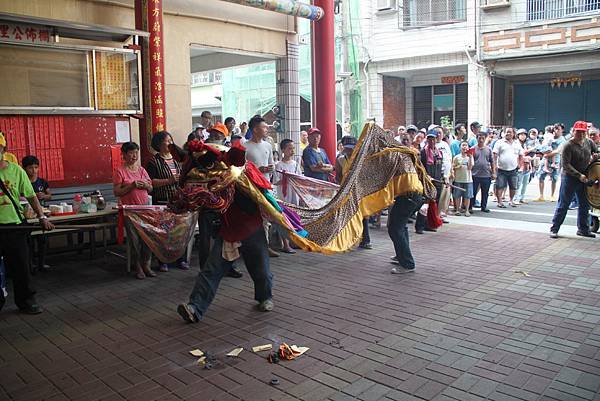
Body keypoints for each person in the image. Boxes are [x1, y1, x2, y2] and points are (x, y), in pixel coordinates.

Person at [0, 132, 54, 314]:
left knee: (21, 267)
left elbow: (31, 196)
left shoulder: (16, 170)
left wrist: (42, 217)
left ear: (4, 150)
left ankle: (26, 301)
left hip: (15, 226)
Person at [146, 131, 188, 271]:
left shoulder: (177, 159)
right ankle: (162, 260)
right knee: (163, 232)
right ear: (159, 143)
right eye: (166, 140)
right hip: (161, 200)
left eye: (171, 139)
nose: (170, 143)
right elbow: (150, 182)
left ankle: (181, 259)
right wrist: (169, 181)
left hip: (178, 200)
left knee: (179, 231)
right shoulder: (153, 161)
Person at [550, 121, 598, 239]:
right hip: (569, 178)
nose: (581, 134)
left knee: (584, 204)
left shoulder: (589, 142)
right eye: (578, 132)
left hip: (585, 177)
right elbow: (565, 165)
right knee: (564, 204)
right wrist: (579, 175)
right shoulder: (568, 145)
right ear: (573, 132)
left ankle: (583, 229)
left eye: (583, 132)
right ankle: (554, 229)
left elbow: (596, 151)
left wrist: (596, 156)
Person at [113, 142, 155, 279]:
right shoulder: (120, 171)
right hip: (129, 211)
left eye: (136, 152)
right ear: (124, 155)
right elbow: (117, 192)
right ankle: (137, 266)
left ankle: (146, 265)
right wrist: (131, 186)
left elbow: (151, 189)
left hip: (144, 209)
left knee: (147, 237)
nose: (134, 155)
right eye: (131, 153)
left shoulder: (141, 170)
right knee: (135, 239)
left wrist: (146, 185)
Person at [244, 115, 279, 257]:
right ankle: (248, 247)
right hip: (250, 187)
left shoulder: (268, 145)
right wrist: (259, 170)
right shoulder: (245, 146)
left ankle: (265, 246)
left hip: (265, 185)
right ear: (255, 129)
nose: (267, 129)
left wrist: (270, 170)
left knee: (265, 218)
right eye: (264, 127)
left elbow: (272, 164)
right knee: (251, 216)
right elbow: (241, 168)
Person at [335, 136, 372, 249]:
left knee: (363, 215)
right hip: (347, 192)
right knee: (348, 216)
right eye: (347, 148)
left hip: (360, 191)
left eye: (352, 148)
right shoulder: (340, 160)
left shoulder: (362, 159)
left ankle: (366, 240)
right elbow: (338, 176)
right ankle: (349, 240)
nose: (350, 151)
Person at [271, 139, 300, 254]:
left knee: (294, 217)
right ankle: (286, 244)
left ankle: (293, 241)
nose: (292, 151)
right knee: (283, 218)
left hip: (294, 195)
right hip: (283, 196)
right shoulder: (278, 165)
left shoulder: (296, 164)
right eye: (289, 148)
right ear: (283, 150)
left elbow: (299, 180)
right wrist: (285, 178)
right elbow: (275, 182)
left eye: (293, 148)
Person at [388, 192, 425, 274]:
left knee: (396, 229)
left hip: (407, 198)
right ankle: (401, 257)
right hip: (412, 197)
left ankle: (407, 263)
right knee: (400, 227)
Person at [415, 129, 443, 234]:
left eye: (433, 139)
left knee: (433, 204)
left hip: (437, 182)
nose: (432, 141)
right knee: (424, 204)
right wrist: (426, 177)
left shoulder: (439, 153)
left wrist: (443, 177)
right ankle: (419, 226)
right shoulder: (423, 152)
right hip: (426, 182)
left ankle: (429, 224)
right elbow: (420, 167)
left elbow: (441, 167)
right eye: (429, 139)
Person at [493, 127, 523, 208]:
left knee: (513, 186)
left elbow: (521, 155)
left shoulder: (517, 143)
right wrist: (494, 166)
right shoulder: (499, 142)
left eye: (510, 132)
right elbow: (495, 155)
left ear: (513, 134)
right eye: (506, 132)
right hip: (501, 169)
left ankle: (511, 200)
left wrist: (520, 164)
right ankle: (500, 202)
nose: (508, 133)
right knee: (500, 186)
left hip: (513, 169)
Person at [536, 123, 566, 202]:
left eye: (558, 129)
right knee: (541, 176)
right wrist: (544, 154)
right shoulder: (549, 136)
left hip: (555, 160)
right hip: (545, 160)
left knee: (554, 178)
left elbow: (558, 150)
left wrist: (546, 155)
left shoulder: (562, 140)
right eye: (555, 129)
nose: (556, 131)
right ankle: (541, 195)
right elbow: (542, 147)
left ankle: (552, 195)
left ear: (562, 130)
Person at [471, 130, 495, 213]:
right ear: (476, 138)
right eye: (479, 138)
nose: (481, 140)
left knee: (485, 192)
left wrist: (493, 172)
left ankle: (483, 207)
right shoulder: (473, 149)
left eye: (482, 138)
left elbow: (492, 161)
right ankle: (470, 206)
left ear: (485, 139)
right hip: (474, 174)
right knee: (472, 192)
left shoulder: (489, 149)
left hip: (486, 174)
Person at [452, 141, 474, 216]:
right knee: (457, 195)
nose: (464, 147)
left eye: (466, 145)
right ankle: (457, 210)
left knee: (467, 196)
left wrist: (470, 157)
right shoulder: (456, 157)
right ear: (460, 147)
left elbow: (470, 167)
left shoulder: (470, 157)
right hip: (458, 179)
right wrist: (457, 167)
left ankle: (466, 210)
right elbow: (453, 167)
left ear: (468, 147)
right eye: (463, 145)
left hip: (468, 179)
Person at [514, 129, 534, 205]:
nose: (523, 136)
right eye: (521, 134)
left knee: (525, 183)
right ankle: (516, 198)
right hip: (519, 166)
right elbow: (519, 154)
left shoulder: (527, 144)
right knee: (518, 183)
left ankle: (522, 197)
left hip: (527, 166)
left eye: (524, 134)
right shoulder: (516, 144)